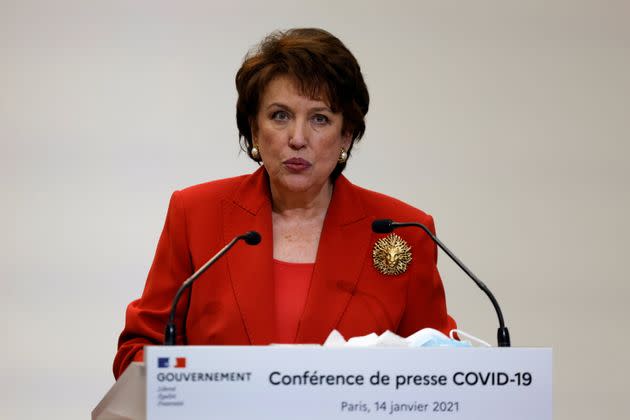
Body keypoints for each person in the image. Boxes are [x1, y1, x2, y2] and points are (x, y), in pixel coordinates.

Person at [113, 28, 456, 379]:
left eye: (320, 118)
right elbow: (140, 347)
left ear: (346, 135)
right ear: (254, 128)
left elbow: (438, 368)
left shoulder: (404, 229)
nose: (297, 139)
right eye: (280, 115)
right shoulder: (196, 214)